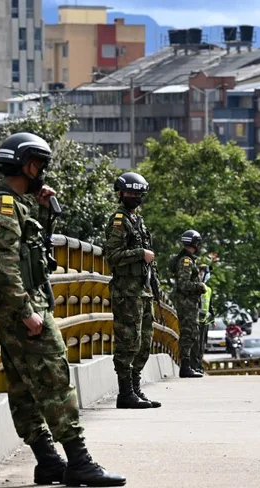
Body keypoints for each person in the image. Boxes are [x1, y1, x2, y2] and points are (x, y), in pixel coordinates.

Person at [0, 132, 124, 487]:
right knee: (55, 378)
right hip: (21, 311)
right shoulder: (4, 207)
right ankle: (79, 462)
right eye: (38, 164)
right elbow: (4, 265)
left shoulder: (9, 203)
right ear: (24, 164)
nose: (41, 171)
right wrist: (26, 311)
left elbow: (28, 255)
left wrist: (45, 212)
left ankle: (48, 462)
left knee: (24, 388)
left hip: (11, 309)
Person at [103, 171, 161, 409]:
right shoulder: (119, 220)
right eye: (130, 193)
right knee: (128, 342)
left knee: (145, 341)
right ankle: (125, 393)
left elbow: (149, 256)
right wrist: (140, 254)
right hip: (127, 292)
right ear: (120, 194)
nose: (135, 197)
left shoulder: (137, 220)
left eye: (138, 194)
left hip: (142, 290)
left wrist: (155, 282)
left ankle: (136, 389)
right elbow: (112, 256)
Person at [169, 230, 207, 378]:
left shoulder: (187, 259)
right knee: (189, 333)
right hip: (186, 303)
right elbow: (184, 284)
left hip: (188, 303)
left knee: (191, 333)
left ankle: (188, 366)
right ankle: (185, 367)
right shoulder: (186, 260)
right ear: (194, 243)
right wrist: (200, 287)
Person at [191, 264, 213, 374]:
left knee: (202, 345)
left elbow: (210, 305)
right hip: (196, 320)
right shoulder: (196, 287)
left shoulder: (208, 289)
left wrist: (212, 319)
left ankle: (199, 365)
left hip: (205, 321)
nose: (204, 274)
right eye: (202, 271)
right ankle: (194, 366)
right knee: (196, 344)